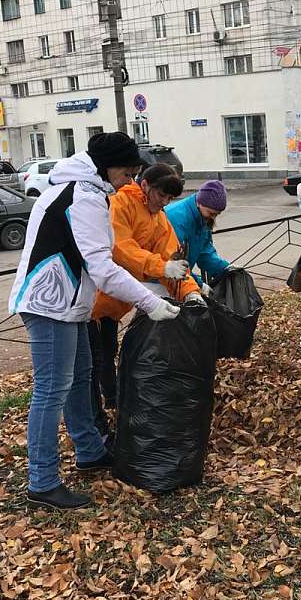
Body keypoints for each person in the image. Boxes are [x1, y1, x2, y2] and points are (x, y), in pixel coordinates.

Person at [8, 132, 181, 511]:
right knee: (51, 390)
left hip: (68, 303)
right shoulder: (83, 196)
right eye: (127, 172)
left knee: (80, 376)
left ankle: (89, 451)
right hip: (50, 303)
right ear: (107, 166)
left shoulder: (82, 188)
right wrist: (150, 301)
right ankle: (42, 482)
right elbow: (102, 266)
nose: (130, 180)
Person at [89, 163, 201, 438]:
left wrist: (191, 291)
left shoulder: (159, 219)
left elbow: (172, 257)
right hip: (93, 300)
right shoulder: (120, 204)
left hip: (115, 302)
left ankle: (112, 403)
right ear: (145, 186)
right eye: (161, 195)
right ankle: (96, 423)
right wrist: (162, 267)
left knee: (108, 352)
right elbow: (121, 249)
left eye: (169, 198)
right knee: (93, 362)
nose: (164, 203)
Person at [164, 180, 231, 292]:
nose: (213, 217)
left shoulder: (202, 218)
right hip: (160, 281)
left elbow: (204, 251)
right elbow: (175, 261)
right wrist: (198, 284)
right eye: (211, 213)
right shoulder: (177, 219)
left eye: (217, 214)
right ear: (200, 203)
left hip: (178, 279)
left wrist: (225, 269)